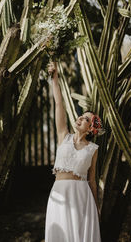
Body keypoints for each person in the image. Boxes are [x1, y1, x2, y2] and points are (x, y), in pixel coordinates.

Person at [45, 61, 102, 242]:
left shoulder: (92, 149)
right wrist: (55, 78)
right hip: (59, 192)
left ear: (90, 129)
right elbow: (59, 103)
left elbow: (92, 180)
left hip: (81, 197)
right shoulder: (64, 136)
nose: (80, 118)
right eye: (81, 115)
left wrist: (95, 206)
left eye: (86, 119)